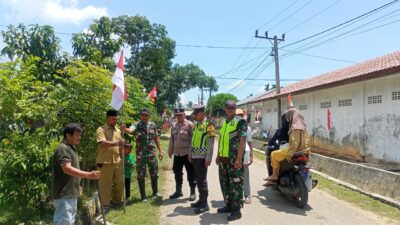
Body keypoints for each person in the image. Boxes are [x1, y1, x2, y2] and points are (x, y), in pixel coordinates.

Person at [52, 123, 100, 225]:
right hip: (64, 194)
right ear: (68, 135)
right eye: (77, 135)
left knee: (69, 222)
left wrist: (78, 185)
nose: (79, 138)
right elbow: (67, 169)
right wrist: (88, 175)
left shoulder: (71, 148)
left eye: (80, 135)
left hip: (70, 193)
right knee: (64, 222)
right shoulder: (63, 148)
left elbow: (71, 172)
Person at [121, 108, 164, 202]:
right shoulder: (137, 124)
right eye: (143, 115)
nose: (144, 117)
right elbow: (130, 130)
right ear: (140, 115)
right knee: (141, 174)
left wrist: (160, 150)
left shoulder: (153, 125)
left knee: (154, 173)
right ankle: (143, 196)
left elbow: (156, 138)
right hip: (141, 155)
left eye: (146, 115)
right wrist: (125, 129)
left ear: (149, 116)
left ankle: (155, 192)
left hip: (152, 153)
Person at [216, 100, 247, 221]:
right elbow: (221, 139)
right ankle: (229, 205)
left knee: (236, 184)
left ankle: (236, 210)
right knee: (225, 183)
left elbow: (242, 141)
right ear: (225, 109)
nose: (230, 110)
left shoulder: (240, 122)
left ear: (235, 109)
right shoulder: (224, 122)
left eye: (232, 108)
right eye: (228, 108)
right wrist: (218, 155)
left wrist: (239, 159)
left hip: (234, 160)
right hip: (223, 159)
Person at [264, 105, 310, 186]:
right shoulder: (304, 127)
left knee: (273, 154)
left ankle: (274, 175)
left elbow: (294, 143)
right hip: (303, 150)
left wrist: (291, 152)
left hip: (294, 150)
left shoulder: (294, 128)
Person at [96, 109, 125, 211]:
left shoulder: (118, 130)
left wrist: (122, 147)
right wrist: (117, 143)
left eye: (116, 119)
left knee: (120, 183)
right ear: (107, 118)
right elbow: (103, 143)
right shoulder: (101, 130)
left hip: (117, 161)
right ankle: (105, 206)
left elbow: (120, 144)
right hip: (105, 162)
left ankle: (117, 202)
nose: (115, 121)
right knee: (105, 185)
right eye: (113, 119)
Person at [189, 104, 215, 214]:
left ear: (201, 114)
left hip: (202, 158)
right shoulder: (195, 125)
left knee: (202, 180)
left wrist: (208, 158)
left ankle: (205, 204)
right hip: (195, 157)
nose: (194, 116)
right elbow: (192, 141)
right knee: (198, 179)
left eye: (195, 114)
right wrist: (190, 154)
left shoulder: (208, 126)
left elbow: (211, 143)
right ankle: (201, 200)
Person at [168, 107, 196, 201]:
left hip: (186, 154)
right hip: (177, 154)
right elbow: (172, 139)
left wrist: (191, 153)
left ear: (184, 115)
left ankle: (192, 192)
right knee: (177, 173)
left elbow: (193, 140)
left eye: (180, 115)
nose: (179, 117)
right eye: (177, 115)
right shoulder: (174, 125)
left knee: (191, 173)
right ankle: (178, 191)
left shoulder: (189, 125)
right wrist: (170, 150)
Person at [236, 109, 253, 204]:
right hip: (234, 154)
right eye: (237, 115)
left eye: (240, 115)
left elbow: (250, 143)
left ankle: (247, 195)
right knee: (235, 176)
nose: (239, 117)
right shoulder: (232, 126)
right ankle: (236, 196)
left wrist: (251, 156)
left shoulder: (248, 128)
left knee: (245, 175)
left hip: (245, 153)